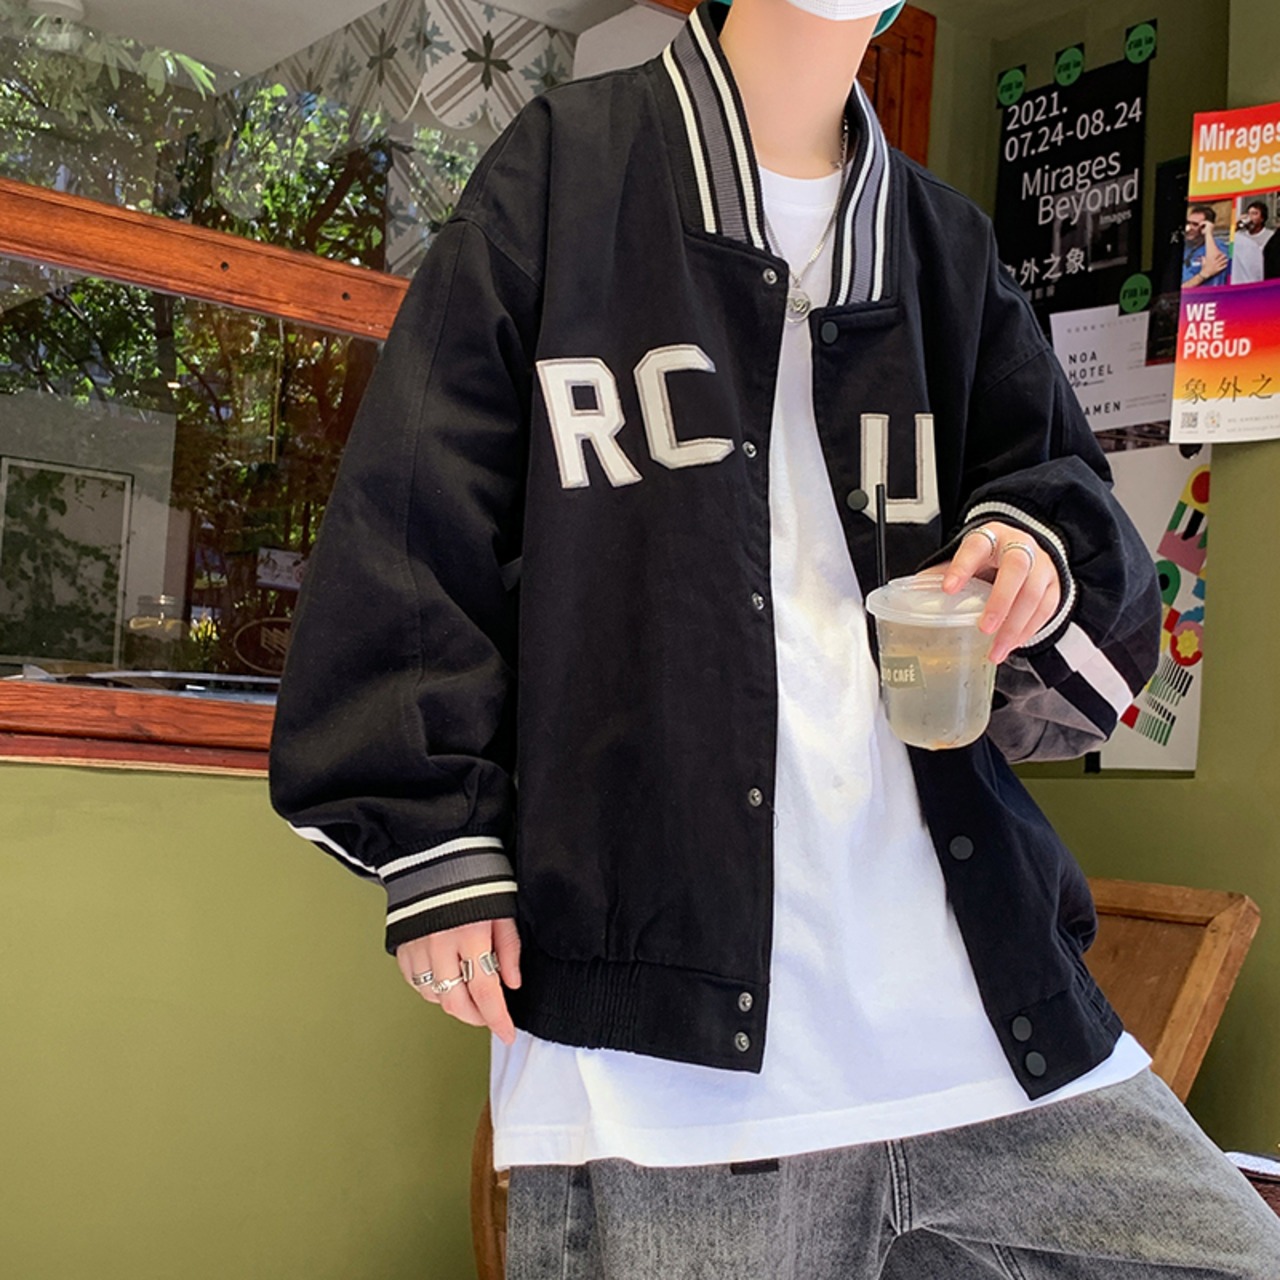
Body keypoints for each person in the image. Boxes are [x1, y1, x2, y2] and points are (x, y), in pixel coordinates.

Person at [269, 0, 1280, 1274]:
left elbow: (1063, 493)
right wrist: (430, 837)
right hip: (665, 1060)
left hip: (977, 1008)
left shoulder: (943, 243)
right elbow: (416, 507)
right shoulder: (565, 170)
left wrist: (1029, 551)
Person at [1183, 203, 1232, 287]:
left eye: (1195, 224)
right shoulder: (1185, 247)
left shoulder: (1218, 246)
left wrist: (1208, 233)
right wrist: (1203, 275)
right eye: (1188, 223)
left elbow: (1214, 264)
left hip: (1208, 293)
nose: (1188, 228)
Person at [1232, 199, 1273, 285]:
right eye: (1249, 213)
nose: (1250, 217)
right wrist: (1235, 225)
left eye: (1254, 213)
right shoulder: (1241, 235)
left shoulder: (1270, 236)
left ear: (1262, 218)